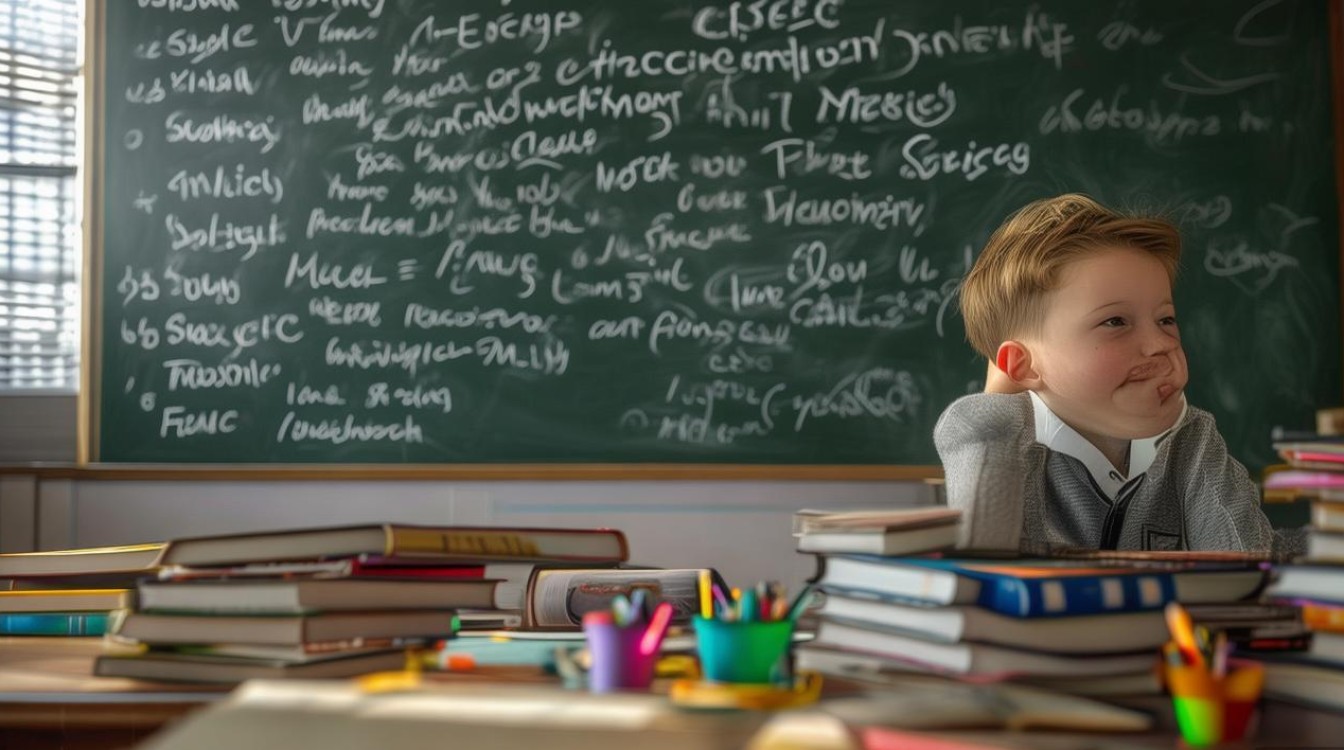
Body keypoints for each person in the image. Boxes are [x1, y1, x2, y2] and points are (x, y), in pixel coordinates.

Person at [934, 193, 1302, 558]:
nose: (1160, 343)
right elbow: (980, 561)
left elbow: (1247, 566)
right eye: (1115, 322)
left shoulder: (1192, 439)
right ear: (1023, 366)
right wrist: (996, 408)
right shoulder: (995, 439)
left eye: (1166, 319)